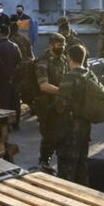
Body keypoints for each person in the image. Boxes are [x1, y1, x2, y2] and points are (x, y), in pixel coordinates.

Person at [54, 44, 97, 185]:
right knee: (82, 162)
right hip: (85, 125)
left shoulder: (69, 77)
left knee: (67, 164)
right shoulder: (91, 75)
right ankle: (83, 191)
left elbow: (60, 105)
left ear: (70, 58)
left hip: (70, 127)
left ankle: (67, 193)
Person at [35, 33, 69, 169]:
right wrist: (64, 91)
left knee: (63, 135)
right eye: (59, 45)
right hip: (47, 106)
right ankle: (44, 162)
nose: (62, 47)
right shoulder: (43, 62)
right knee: (48, 136)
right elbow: (43, 86)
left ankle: (62, 164)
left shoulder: (63, 59)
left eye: (64, 45)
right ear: (51, 45)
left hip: (61, 104)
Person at [0, 25, 22, 128]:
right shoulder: (15, 46)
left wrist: (6, 75)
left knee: (4, 102)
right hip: (14, 79)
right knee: (15, 102)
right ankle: (16, 124)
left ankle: (5, 125)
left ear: (0, 33)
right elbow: (20, 61)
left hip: (3, 79)